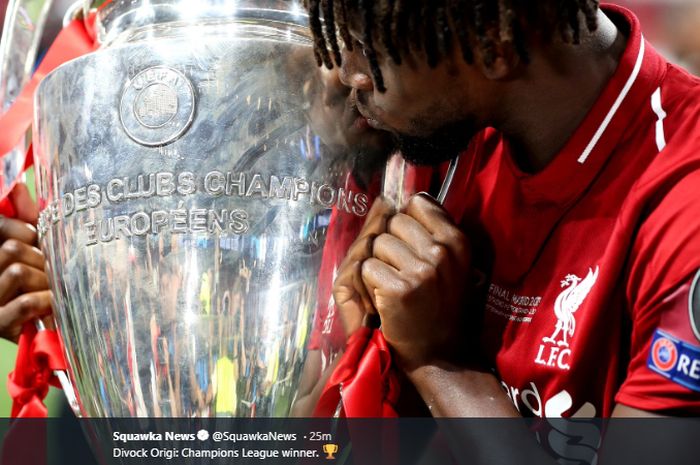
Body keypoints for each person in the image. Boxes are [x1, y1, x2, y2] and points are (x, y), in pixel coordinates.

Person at [301, 0, 700, 426]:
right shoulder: (428, 141)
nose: (348, 75)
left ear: (496, 44)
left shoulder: (683, 206)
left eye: (368, 46)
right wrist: (362, 340)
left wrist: (437, 363)